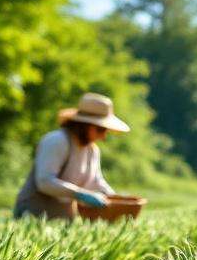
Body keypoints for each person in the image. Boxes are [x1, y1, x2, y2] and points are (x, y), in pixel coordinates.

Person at [13, 92, 128, 220]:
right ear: (84, 125)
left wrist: (115, 198)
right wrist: (80, 194)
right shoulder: (57, 140)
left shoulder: (92, 150)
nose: (103, 136)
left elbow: (96, 181)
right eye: (101, 130)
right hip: (33, 215)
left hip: (63, 219)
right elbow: (44, 182)